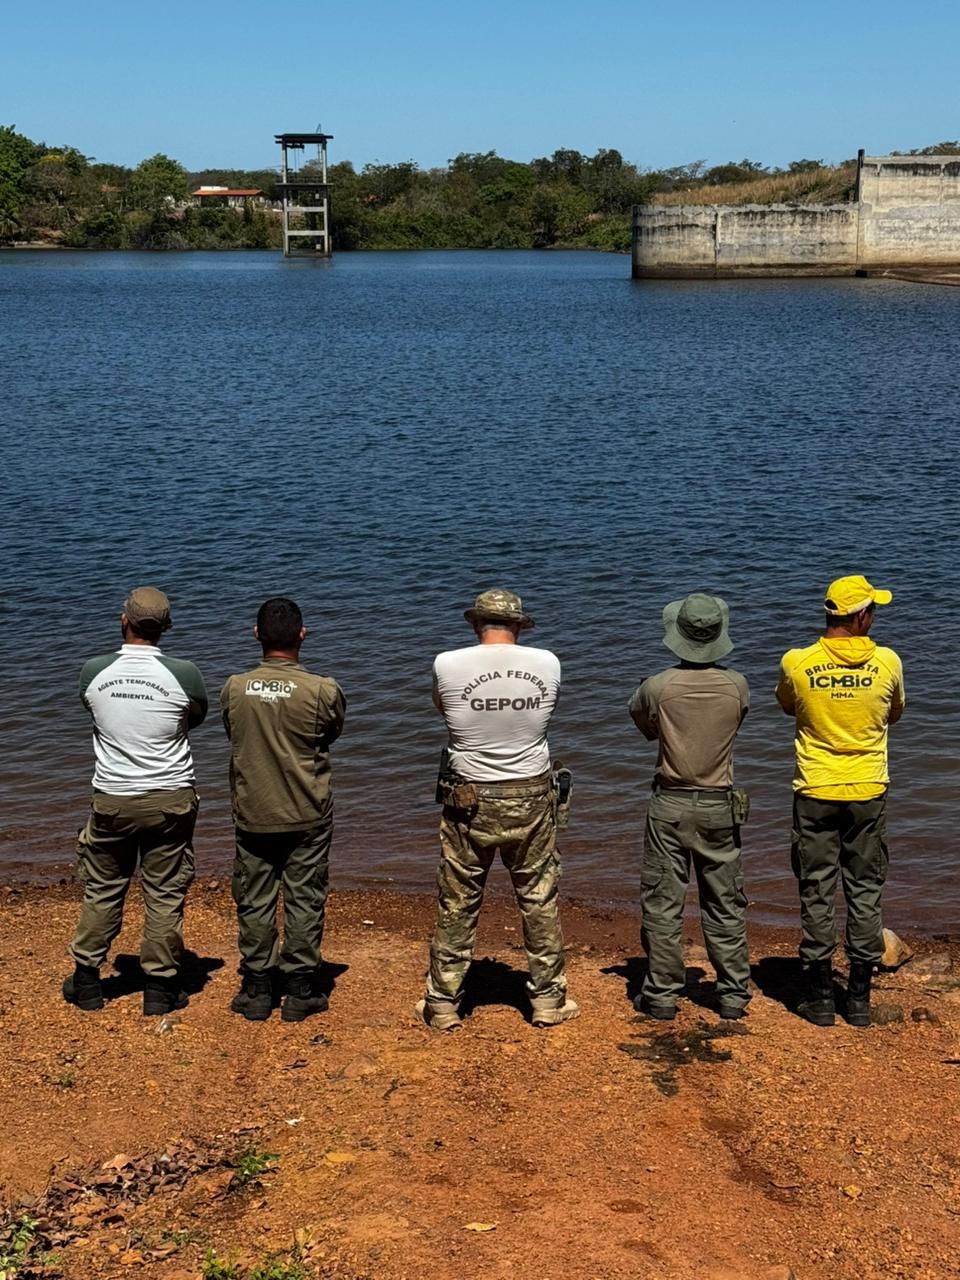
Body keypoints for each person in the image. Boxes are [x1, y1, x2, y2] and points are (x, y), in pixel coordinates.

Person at [418, 589, 578, 1031]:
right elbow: (546, 714)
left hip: (469, 797)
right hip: (531, 793)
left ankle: (443, 1002)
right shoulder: (547, 662)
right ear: (519, 626)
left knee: (459, 898)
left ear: (475, 624)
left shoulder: (447, 663)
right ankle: (547, 999)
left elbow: (443, 709)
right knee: (538, 897)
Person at [63, 587, 208, 1016]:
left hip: (113, 798)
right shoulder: (185, 674)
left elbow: (92, 710)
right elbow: (195, 717)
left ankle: (87, 981)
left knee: (104, 888)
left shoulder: (94, 671)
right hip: (170, 798)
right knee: (164, 893)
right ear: (166, 627)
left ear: (123, 620)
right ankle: (159, 988)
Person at [776, 574, 904, 1028]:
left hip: (815, 789)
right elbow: (894, 713)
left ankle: (819, 998)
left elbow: (788, 705)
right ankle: (859, 1000)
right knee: (865, 888)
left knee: (816, 887)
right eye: (874, 610)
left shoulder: (797, 662)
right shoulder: (888, 662)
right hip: (868, 789)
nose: (876, 616)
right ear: (861, 616)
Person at [220, 597, 346, 1023]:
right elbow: (331, 733)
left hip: (254, 809)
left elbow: (232, 732)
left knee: (254, 898)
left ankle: (257, 988)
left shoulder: (235, 687)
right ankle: (299, 989)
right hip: (307, 808)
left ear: (256, 635)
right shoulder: (322, 690)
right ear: (302, 636)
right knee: (304, 896)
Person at [628, 593, 751, 1021]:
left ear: (677, 634)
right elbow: (737, 721)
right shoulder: (737, 685)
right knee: (725, 902)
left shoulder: (657, 686)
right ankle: (733, 993)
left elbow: (644, 724)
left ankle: (662, 994)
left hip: (670, 803)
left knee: (663, 902)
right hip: (720, 804)